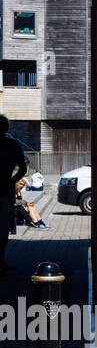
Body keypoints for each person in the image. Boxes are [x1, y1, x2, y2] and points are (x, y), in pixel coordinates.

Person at [0, 116, 27, 272]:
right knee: (3, 228)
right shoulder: (13, 145)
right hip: (5, 190)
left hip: (5, 190)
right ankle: (1, 260)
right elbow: (22, 169)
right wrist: (11, 181)